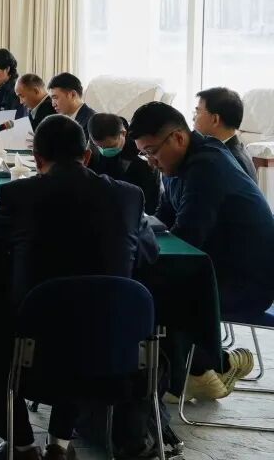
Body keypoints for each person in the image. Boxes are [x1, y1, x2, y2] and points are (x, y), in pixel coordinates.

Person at [0, 115, 159, 460]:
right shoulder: (129, 196)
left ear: (37, 158)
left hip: (33, 352)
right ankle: (59, 444)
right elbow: (148, 254)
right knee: (85, 315)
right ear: (87, 155)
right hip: (113, 348)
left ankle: (21, 445)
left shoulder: (18, 194)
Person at [131, 101, 274, 400]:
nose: (151, 162)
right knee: (149, 281)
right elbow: (163, 218)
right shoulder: (177, 162)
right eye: (144, 153)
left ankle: (196, 372)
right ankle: (210, 366)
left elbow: (187, 237)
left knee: (154, 291)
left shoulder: (207, 167)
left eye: (152, 151)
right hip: (216, 268)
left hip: (248, 282)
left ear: (178, 138)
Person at [87, 113, 161, 215]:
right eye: (100, 147)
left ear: (123, 133)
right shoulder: (91, 149)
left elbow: (150, 202)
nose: (104, 151)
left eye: (111, 146)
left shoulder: (141, 155)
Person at [193, 86, 258, 183]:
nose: (193, 118)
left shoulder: (222, 161)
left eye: (198, 112)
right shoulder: (236, 151)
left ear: (215, 119)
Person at [47, 72, 96, 139]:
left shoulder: (92, 123)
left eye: (55, 98)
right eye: (51, 99)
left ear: (73, 95)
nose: (53, 104)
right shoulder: (60, 121)